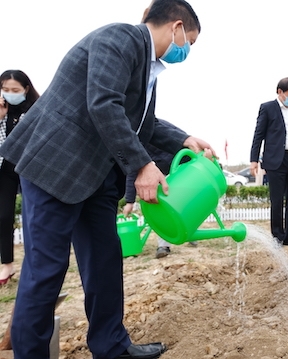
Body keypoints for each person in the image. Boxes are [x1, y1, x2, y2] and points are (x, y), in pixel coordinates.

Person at [0, 1, 214, 358]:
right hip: (55, 166)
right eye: (188, 41)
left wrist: (184, 139)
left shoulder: (147, 66)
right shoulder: (120, 37)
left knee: (104, 259)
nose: (185, 50)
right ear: (177, 27)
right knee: (47, 268)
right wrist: (143, 166)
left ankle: (112, 346)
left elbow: (145, 123)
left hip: (94, 175)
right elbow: (103, 103)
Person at [250, 77, 288, 248]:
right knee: (277, 201)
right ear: (280, 92)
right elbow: (258, 135)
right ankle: (277, 237)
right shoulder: (268, 108)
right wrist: (254, 160)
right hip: (276, 160)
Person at [122, 119, 197, 259]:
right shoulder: (132, 138)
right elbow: (134, 170)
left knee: (188, 203)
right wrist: (129, 201)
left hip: (180, 168)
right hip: (158, 172)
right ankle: (163, 245)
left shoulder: (159, 127)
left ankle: (190, 232)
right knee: (161, 205)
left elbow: (185, 141)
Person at [0, 70, 39, 286]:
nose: (9, 94)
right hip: (6, 169)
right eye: (5, 90)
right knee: (4, 216)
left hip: (29, 169)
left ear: (25, 89)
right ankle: (7, 263)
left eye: (15, 90)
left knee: (33, 216)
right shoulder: (2, 111)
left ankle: (34, 261)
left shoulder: (34, 109)